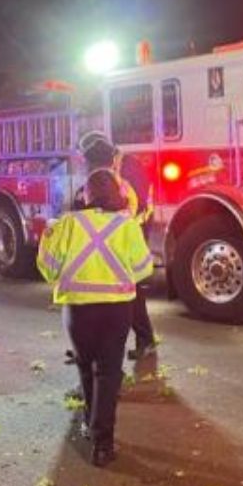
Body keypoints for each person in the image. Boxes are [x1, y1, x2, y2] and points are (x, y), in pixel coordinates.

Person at [39, 169, 153, 467]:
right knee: (109, 371)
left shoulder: (67, 224)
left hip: (78, 310)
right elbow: (143, 269)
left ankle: (91, 425)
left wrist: (47, 237)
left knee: (86, 367)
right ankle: (103, 445)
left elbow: (48, 269)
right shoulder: (127, 226)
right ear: (117, 193)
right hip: (117, 310)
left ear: (85, 194)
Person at [73, 131, 158, 360]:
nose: (87, 165)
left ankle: (145, 340)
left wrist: (109, 222)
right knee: (119, 287)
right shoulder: (105, 165)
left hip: (132, 229)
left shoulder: (129, 168)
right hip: (117, 229)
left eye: (87, 159)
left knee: (132, 287)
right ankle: (92, 344)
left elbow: (135, 206)